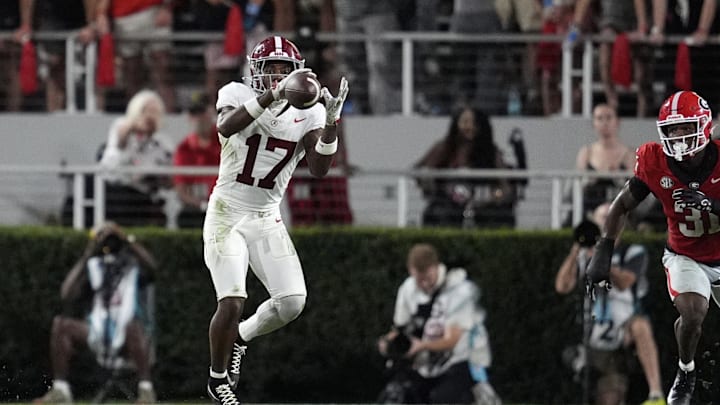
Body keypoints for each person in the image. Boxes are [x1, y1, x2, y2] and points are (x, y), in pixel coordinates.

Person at [202, 35, 349, 405]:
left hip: (266, 215)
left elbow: (319, 168)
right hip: (227, 212)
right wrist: (274, 95)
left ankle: (240, 338)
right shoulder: (235, 93)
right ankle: (218, 380)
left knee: (292, 302)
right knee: (232, 299)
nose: (280, 76)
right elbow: (226, 126)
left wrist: (331, 124)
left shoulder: (310, 111)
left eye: (286, 71)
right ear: (257, 73)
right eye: (273, 70)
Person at [586, 90, 720, 405]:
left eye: (685, 128)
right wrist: (603, 252)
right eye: (672, 130)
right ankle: (686, 371)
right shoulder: (654, 160)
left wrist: (711, 204)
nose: (678, 137)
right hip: (685, 255)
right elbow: (620, 206)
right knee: (692, 311)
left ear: (704, 126)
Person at [34, 222, 157, 404]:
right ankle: (61, 390)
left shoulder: (132, 267)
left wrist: (125, 239)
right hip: (97, 331)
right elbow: (66, 293)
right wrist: (89, 252)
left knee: (132, 326)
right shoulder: (95, 267)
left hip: (129, 334)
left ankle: (146, 392)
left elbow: (152, 268)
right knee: (61, 324)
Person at [555, 202, 665, 405]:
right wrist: (575, 252)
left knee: (641, 326)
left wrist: (602, 258)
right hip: (594, 334)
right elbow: (562, 286)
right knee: (605, 397)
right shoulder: (584, 256)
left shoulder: (633, 252)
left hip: (623, 331)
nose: (607, 222)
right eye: (602, 218)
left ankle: (656, 394)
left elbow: (625, 282)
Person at [377, 243, 500, 405]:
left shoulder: (459, 291)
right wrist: (388, 343)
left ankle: (477, 395)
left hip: (460, 360)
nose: (424, 284)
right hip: (425, 364)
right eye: (419, 280)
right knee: (396, 395)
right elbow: (400, 328)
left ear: (436, 267)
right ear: (410, 271)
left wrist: (421, 346)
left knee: (443, 398)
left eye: (428, 278)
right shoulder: (408, 289)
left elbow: (452, 341)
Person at [414, 106, 519, 228]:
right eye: (465, 122)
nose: (469, 127)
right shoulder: (444, 147)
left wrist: (495, 196)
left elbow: (505, 185)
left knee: (499, 216)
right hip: (448, 204)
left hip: (485, 207)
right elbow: (419, 170)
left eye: (474, 122)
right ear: (456, 124)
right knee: (439, 214)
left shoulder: (491, 151)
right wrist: (430, 183)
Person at [99, 89, 174, 227]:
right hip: (117, 191)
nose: (149, 116)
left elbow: (169, 177)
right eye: (145, 110)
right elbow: (110, 165)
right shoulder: (122, 127)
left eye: (154, 112)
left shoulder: (163, 141)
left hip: (145, 195)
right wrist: (125, 137)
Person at [95, 0, 175, 112]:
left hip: (155, 12)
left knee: (163, 68)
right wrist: (101, 13)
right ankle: (134, 116)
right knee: (131, 72)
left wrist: (167, 7)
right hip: (125, 18)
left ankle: (168, 115)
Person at [571, 103, 636, 223]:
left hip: (621, 211)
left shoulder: (628, 154)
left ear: (617, 121)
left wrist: (618, 177)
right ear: (593, 123)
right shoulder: (586, 152)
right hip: (591, 211)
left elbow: (635, 186)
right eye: (599, 118)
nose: (604, 123)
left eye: (609, 117)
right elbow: (578, 185)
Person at [172, 91, 221, 228]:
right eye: (194, 113)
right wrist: (203, 205)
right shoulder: (184, 148)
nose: (198, 118)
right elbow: (181, 190)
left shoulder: (225, 141)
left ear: (211, 113)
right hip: (197, 210)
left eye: (202, 112)